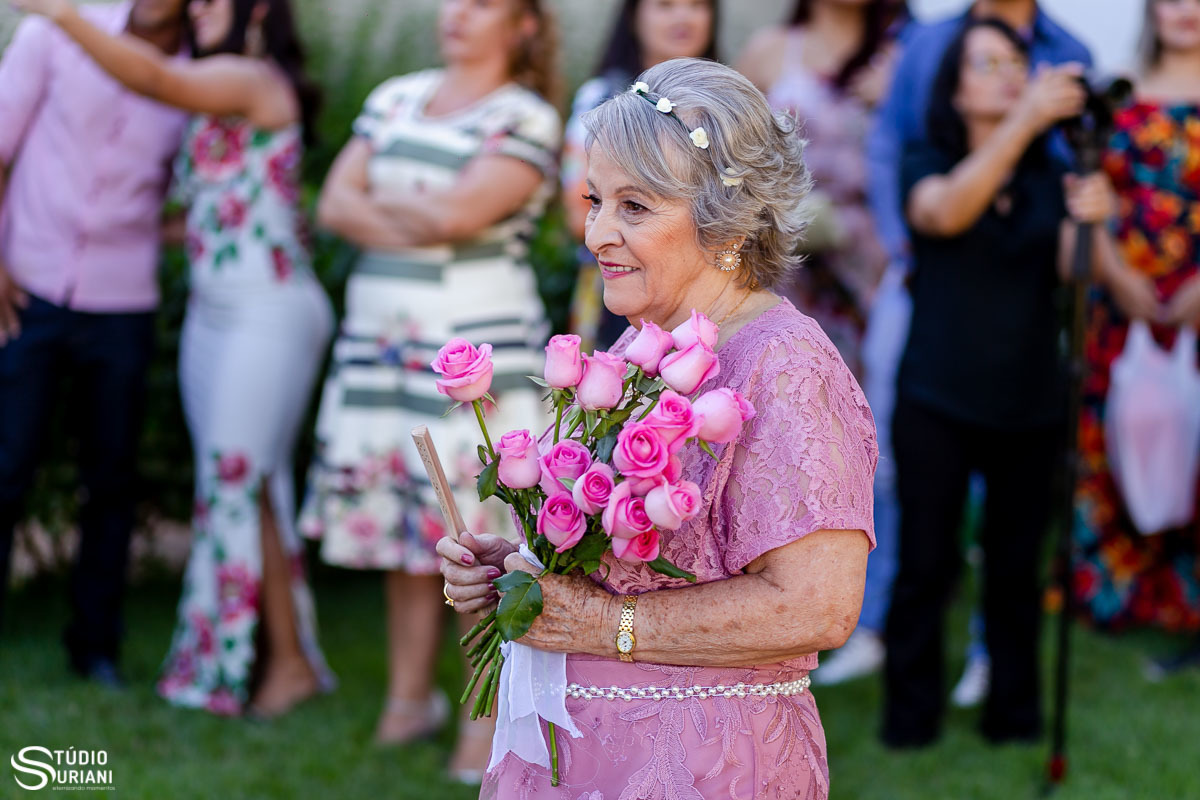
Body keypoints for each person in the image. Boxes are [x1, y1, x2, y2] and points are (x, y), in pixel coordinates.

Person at [440, 58, 878, 798]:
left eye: (635, 208)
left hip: (705, 765)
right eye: (595, 200)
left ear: (725, 221)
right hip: (579, 753)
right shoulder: (640, 351)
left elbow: (820, 605)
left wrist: (605, 629)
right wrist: (519, 569)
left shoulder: (785, 366)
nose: (598, 233)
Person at [12, 0, 337, 716]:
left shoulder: (250, 76)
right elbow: (218, 205)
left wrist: (63, 15)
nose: (200, 5)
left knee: (236, 478)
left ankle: (265, 665)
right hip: (214, 310)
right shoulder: (218, 78)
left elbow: (155, 82)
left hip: (267, 308)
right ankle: (278, 658)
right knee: (244, 484)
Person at [297, 0, 561, 778]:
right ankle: (406, 703)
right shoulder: (395, 95)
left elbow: (458, 211)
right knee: (403, 539)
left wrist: (391, 208)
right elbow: (332, 204)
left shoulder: (527, 116)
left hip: (477, 363)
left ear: (523, 25)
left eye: (484, 2)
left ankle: (484, 721)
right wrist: (423, 216)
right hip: (384, 354)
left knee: (480, 546)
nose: (458, 12)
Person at [881, 17, 1113, 748]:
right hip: (937, 395)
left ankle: (1013, 716)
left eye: (1017, 63)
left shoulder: (1053, 174)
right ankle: (910, 717)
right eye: (988, 64)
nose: (1011, 75)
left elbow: (1077, 274)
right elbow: (944, 213)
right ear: (954, 86)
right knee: (926, 561)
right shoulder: (928, 159)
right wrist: (1025, 123)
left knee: (1016, 571)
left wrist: (1094, 222)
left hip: (1030, 396)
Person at [0, 0, 188, 686]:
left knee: (110, 481)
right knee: (5, 465)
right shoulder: (52, 32)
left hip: (124, 299)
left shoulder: (202, 74)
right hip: (28, 284)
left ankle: (96, 648)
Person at [737, 0, 899, 688]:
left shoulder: (904, 53)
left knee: (870, 443)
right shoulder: (773, 51)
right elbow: (728, 164)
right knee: (778, 435)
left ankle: (868, 616)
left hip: (873, 271)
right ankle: (766, 599)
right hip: (789, 274)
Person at [1074, 0, 1200, 676]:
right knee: (1123, 435)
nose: (1186, 10)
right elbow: (1090, 195)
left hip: (1195, 299)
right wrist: (1121, 280)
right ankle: (1119, 589)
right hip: (1126, 300)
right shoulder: (1116, 89)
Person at [563, 0, 719, 352]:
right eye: (665, 5)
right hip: (617, 280)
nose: (683, 17)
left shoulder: (726, 107)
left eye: (697, 5)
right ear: (634, 17)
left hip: (706, 292)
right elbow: (576, 210)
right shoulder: (600, 98)